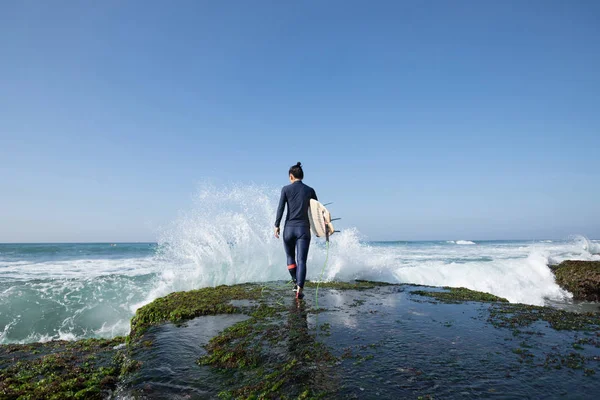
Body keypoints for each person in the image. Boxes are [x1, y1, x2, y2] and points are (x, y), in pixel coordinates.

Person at [274, 162, 318, 300]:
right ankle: (299, 288)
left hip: (288, 229)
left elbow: (280, 208)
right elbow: (316, 211)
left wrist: (276, 225)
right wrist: (323, 228)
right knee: (302, 260)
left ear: (291, 176)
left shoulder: (285, 189)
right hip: (304, 229)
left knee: (290, 258)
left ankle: (295, 281)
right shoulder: (310, 190)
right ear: (302, 176)